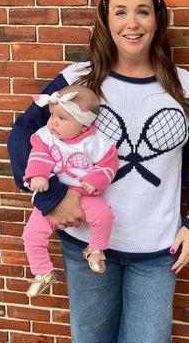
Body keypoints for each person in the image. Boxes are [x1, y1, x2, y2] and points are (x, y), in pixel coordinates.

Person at [7, 0, 189, 343]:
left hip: (156, 251)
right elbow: (25, 134)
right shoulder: (76, 80)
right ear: (105, 19)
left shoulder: (185, 87)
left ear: (157, 19)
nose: (132, 22)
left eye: (143, 11)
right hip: (86, 247)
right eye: (120, 11)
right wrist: (51, 200)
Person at [22, 84, 118, 297]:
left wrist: (95, 180)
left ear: (84, 126)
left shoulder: (95, 143)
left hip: (84, 192)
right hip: (53, 196)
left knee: (104, 216)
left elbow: (108, 165)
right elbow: (39, 155)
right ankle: (42, 272)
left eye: (63, 119)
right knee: (31, 234)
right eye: (53, 115)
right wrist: (37, 175)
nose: (53, 122)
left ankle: (95, 250)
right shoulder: (46, 136)